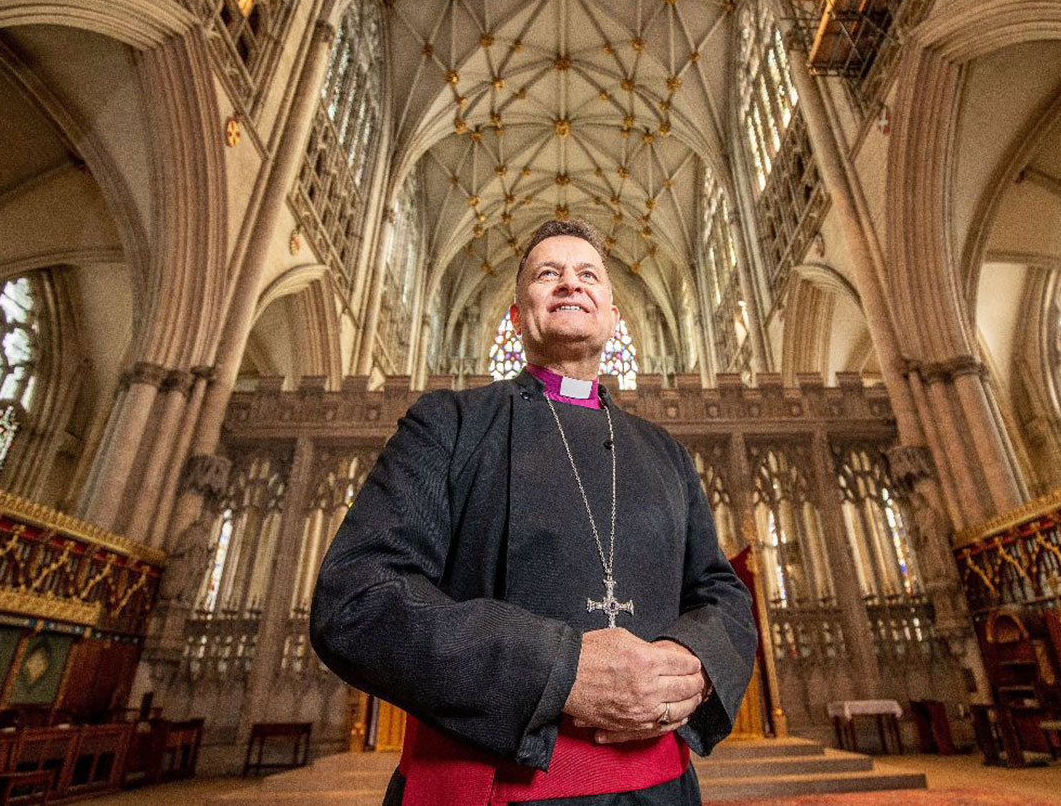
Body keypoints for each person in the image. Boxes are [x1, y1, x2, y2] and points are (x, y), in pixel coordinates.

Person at [311, 218, 757, 805]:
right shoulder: (449, 424)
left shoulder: (665, 452)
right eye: (549, 274)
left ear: (613, 317)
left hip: (661, 791)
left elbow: (722, 593)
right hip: (497, 790)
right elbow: (356, 602)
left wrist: (693, 663)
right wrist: (557, 669)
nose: (571, 284)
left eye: (588, 275)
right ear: (517, 317)